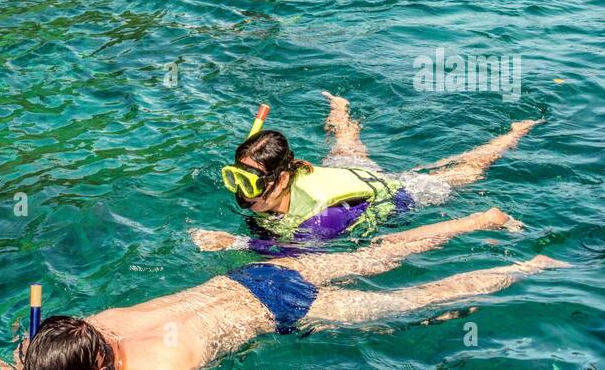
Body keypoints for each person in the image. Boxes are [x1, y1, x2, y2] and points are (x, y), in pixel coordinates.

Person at [0, 211, 559, 370]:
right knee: (381, 255)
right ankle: (481, 221)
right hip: (250, 276)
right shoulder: (96, 322)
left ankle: (532, 265)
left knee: (415, 300)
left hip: (287, 309)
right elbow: (25, 346)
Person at [191, 94, 541, 254]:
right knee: (345, 144)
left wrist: (234, 242)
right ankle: (340, 108)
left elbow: (293, 252)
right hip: (348, 174)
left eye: (250, 182)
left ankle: (514, 133)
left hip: (393, 191)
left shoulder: (323, 217)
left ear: (282, 179)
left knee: (467, 172)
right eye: (234, 178)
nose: (241, 192)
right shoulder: (282, 181)